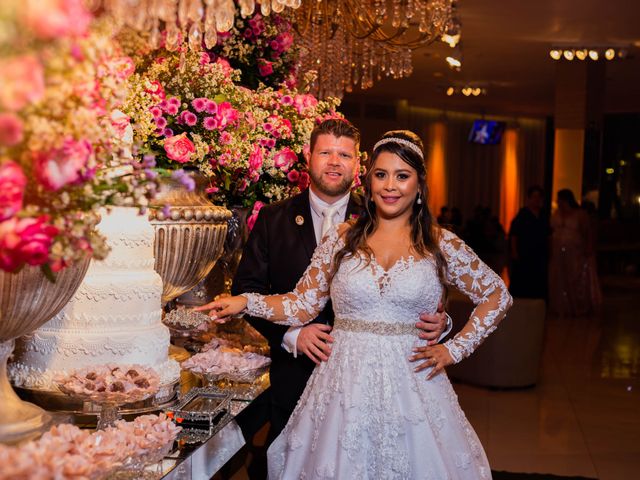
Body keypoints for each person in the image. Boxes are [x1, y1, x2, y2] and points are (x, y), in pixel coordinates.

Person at [198, 130, 512, 479]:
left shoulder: (441, 244)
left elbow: (497, 295)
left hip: (413, 386)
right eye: (381, 175)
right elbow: (302, 303)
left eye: (402, 176)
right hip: (342, 388)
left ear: (419, 185)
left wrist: (453, 349)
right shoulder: (343, 237)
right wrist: (244, 301)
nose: (390, 186)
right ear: (368, 181)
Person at [229, 120, 449, 460]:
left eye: (344, 154)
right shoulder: (274, 218)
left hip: (382, 384)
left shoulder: (384, 207)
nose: (335, 161)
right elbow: (248, 288)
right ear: (308, 156)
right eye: (326, 152)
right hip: (296, 375)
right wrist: (293, 335)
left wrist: (441, 322)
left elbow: (424, 282)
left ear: (358, 164)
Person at [548, 189, 601, 315]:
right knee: (559, 277)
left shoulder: (580, 214)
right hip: (558, 250)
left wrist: (588, 248)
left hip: (575, 251)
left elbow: (588, 233)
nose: (558, 202)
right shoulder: (556, 214)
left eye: (560, 199)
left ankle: (577, 306)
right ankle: (561, 306)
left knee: (574, 276)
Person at [508, 185, 550, 299]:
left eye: (538, 197)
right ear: (528, 199)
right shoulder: (522, 215)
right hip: (525, 251)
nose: (536, 200)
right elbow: (514, 235)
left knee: (538, 275)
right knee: (523, 275)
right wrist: (514, 251)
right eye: (534, 197)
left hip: (540, 251)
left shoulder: (544, 215)